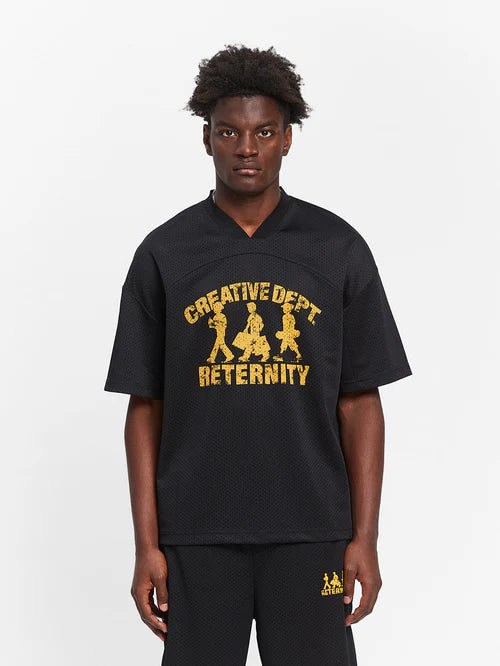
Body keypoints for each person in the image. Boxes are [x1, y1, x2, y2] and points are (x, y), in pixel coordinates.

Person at [104, 43, 412, 665]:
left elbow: (361, 402)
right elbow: (145, 407)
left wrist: (365, 537)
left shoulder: (337, 248)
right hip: (196, 536)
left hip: (313, 534)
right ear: (207, 139)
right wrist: (146, 545)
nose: (246, 148)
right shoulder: (165, 253)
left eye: (264, 132)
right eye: (229, 132)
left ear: (288, 139)